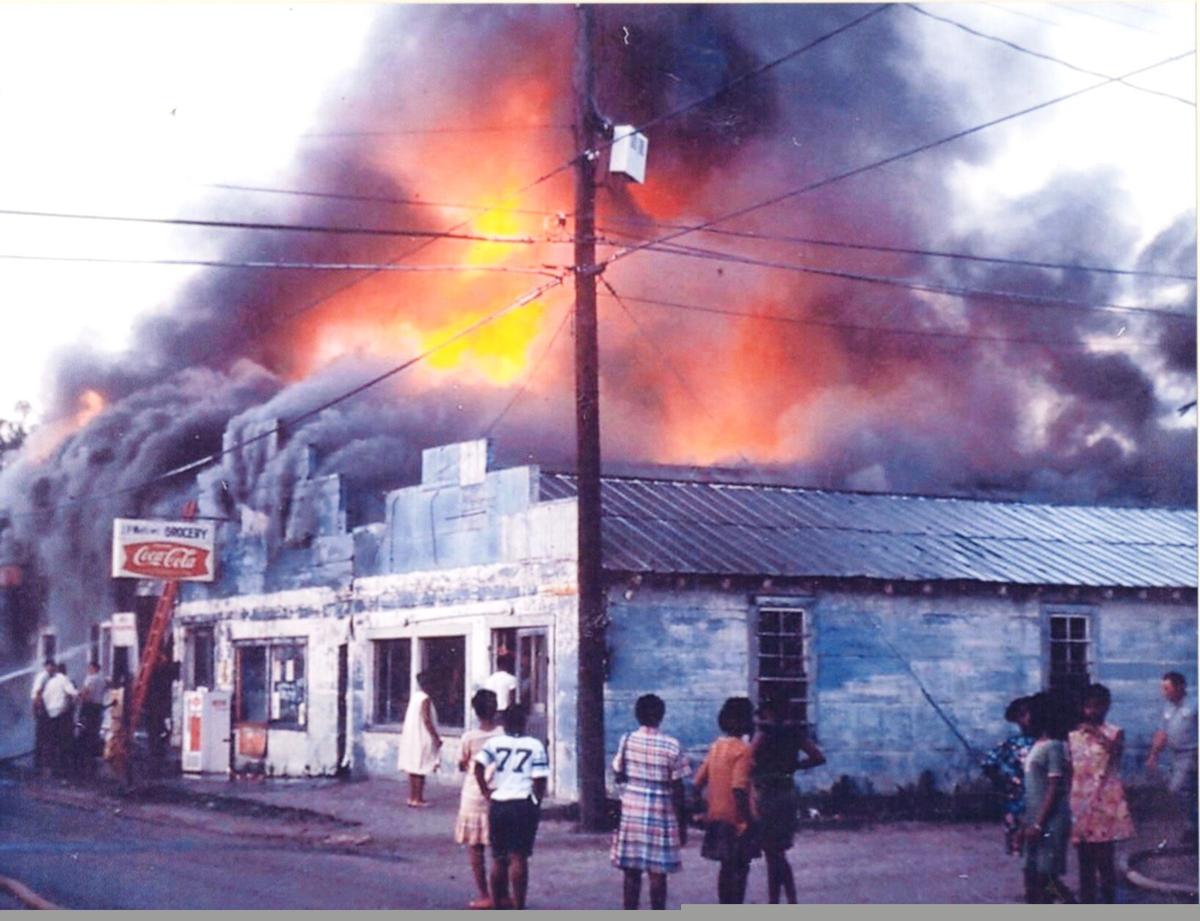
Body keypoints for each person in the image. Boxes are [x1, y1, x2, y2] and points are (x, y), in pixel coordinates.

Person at [610, 693, 690, 910]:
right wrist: (682, 824)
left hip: (632, 811)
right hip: (661, 812)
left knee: (631, 872)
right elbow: (678, 788)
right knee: (658, 874)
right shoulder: (672, 746)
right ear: (662, 716)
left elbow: (618, 770)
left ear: (637, 715)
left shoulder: (626, 741)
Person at [749, 695, 825, 904]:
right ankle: (789, 899)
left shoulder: (764, 734)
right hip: (787, 791)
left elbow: (747, 758)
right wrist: (793, 767)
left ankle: (777, 901)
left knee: (772, 853)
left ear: (768, 712)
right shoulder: (795, 733)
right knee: (779, 852)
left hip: (768, 794)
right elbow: (818, 758)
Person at [474, 703, 549, 911]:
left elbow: (478, 767)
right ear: (524, 723)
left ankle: (497, 904)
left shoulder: (494, 743)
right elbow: (540, 779)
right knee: (519, 858)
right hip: (522, 803)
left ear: (504, 723)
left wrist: (486, 791)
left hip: (499, 803)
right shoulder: (535, 746)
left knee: (498, 858)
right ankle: (519, 906)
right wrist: (537, 801)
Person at [1068, 683, 1134, 903]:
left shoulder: (1115, 732)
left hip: (1106, 803)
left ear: (1106, 707)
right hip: (1081, 804)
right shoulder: (1073, 736)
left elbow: (1116, 752)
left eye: (1097, 706)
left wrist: (1096, 733)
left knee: (1105, 861)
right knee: (1084, 862)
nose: (1091, 711)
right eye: (1087, 707)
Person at [694, 696, 759, 905]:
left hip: (717, 816)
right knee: (740, 870)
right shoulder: (743, 750)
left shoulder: (716, 747)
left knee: (725, 868)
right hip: (737, 819)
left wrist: (703, 809)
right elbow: (739, 788)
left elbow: (697, 782)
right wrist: (750, 820)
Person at [1019, 691, 1075, 904]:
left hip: (1050, 822)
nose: (1024, 719)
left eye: (1027, 714)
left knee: (1046, 880)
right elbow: (1033, 789)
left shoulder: (1054, 746)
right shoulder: (1038, 744)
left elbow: (1054, 788)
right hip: (1036, 820)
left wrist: (1039, 824)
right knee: (1031, 876)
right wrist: (1027, 822)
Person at [456, 689, 501, 909]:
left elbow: (462, 763)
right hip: (499, 794)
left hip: (474, 795)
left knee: (476, 847)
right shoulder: (503, 734)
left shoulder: (469, 737)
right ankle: (502, 894)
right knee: (500, 849)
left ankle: (484, 894)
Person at [1145, 671, 1198, 847]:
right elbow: (1162, 733)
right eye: (1163, 688)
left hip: (1193, 753)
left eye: (1167, 688)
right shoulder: (1167, 708)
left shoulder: (1195, 704)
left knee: (1179, 788)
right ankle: (1193, 828)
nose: (1164, 692)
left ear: (1180, 687)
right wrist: (1153, 755)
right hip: (1176, 756)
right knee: (1184, 792)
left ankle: (1193, 828)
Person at [982, 696, 1037, 856]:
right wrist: (1004, 780)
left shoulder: (1046, 743)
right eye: (1021, 716)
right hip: (1016, 801)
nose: (1026, 719)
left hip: (1038, 799)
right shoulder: (1011, 744)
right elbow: (988, 763)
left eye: (1027, 714)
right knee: (1019, 850)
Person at [398, 671, 442, 807]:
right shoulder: (425, 699)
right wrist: (436, 737)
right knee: (421, 769)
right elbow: (427, 719)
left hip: (413, 737)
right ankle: (418, 798)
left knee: (414, 768)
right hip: (422, 737)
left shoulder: (415, 696)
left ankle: (412, 797)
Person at [39, 662, 78, 778]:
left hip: (50, 715)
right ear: (64, 670)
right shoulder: (64, 680)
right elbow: (73, 694)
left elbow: (43, 697)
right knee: (64, 742)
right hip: (63, 716)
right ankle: (63, 770)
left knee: (51, 741)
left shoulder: (50, 682)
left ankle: (49, 768)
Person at [75, 662, 106, 778]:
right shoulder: (102, 679)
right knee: (94, 730)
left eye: (89, 667)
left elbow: (86, 692)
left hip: (88, 707)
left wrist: (78, 697)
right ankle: (92, 752)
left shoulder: (90, 678)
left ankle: (82, 753)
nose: (87, 669)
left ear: (93, 668)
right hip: (98, 708)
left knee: (82, 727)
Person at [30, 659, 54, 775]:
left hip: (45, 708)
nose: (52, 668)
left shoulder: (49, 677)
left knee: (45, 733)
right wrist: (36, 709)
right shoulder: (43, 676)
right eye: (50, 666)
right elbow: (37, 693)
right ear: (46, 666)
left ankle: (42, 758)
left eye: (52, 666)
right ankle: (38, 759)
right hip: (42, 708)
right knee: (41, 733)